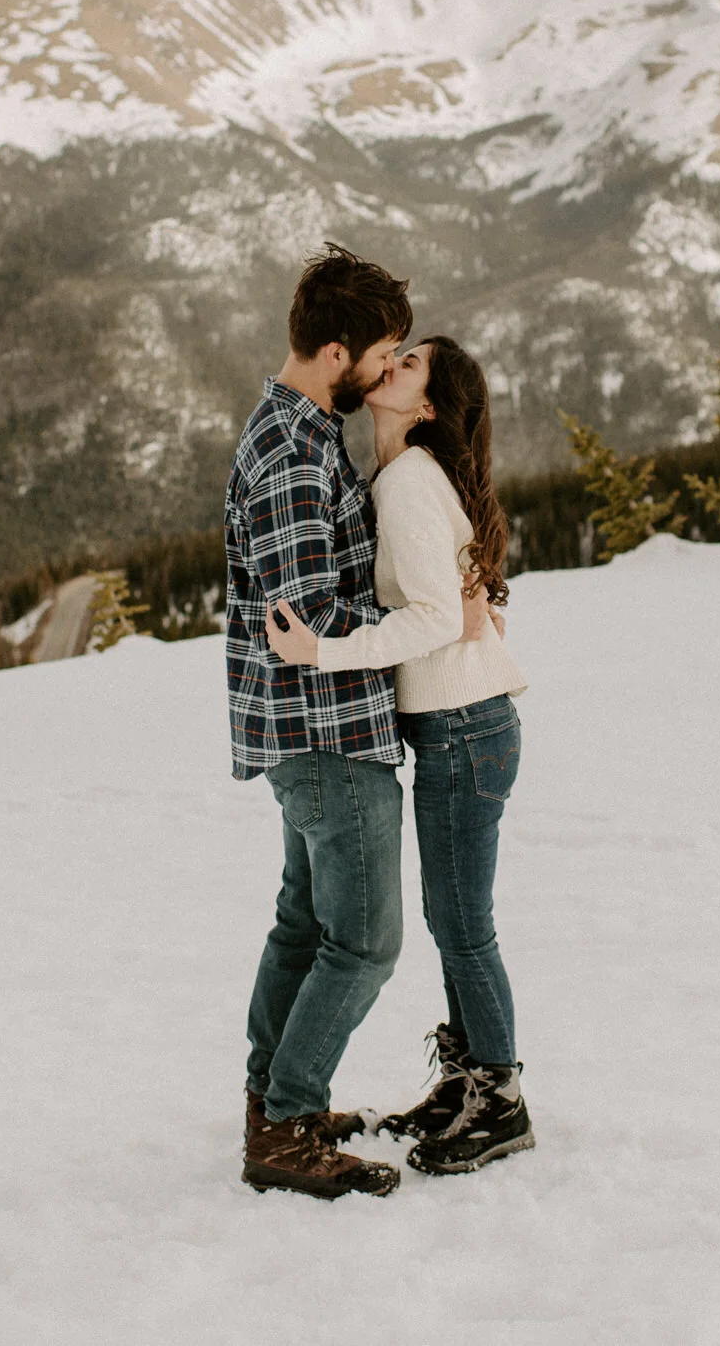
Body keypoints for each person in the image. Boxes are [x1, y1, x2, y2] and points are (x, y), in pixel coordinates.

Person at [267, 333, 534, 1176]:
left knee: (462, 925)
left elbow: (434, 618)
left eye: (410, 363)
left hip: (462, 726)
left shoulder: (412, 481)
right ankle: (467, 1084)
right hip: (461, 724)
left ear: (425, 407)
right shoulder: (400, 478)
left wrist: (323, 653)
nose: (392, 365)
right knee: (451, 920)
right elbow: (454, 603)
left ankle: (499, 1099)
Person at [227, 243, 416, 1200]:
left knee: (304, 926)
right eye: (385, 354)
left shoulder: (287, 430)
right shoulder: (298, 455)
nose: (391, 370)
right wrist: (424, 623)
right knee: (367, 940)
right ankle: (290, 1122)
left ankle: (274, 1101)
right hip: (328, 732)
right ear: (338, 354)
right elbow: (309, 612)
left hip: (303, 735)